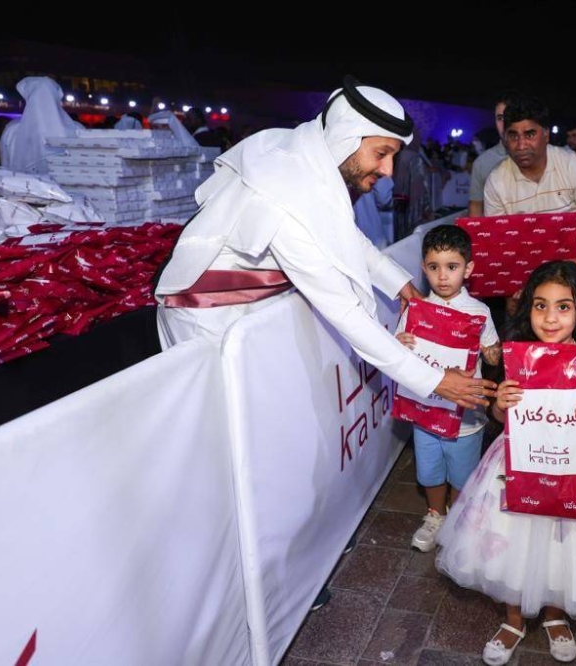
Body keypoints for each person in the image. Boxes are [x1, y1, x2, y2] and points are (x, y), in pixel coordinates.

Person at [155, 76, 496, 411]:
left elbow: (345, 234)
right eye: (381, 153)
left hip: (245, 313)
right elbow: (345, 311)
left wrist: (401, 284)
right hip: (206, 323)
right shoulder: (286, 191)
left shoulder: (309, 162)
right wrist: (434, 380)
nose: (389, 170)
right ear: (345, 139)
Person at [435, 260, 576, 665]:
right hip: (517, 464)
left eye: (563, 307)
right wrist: (501, 404)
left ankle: (555, 614)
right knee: (513, 543)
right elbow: (501, 417)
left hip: (573, 468)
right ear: (527, 309)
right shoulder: (517, 360)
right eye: (540, 306)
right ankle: (513, 618)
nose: (551, 317)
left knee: (563, 546)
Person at [393, 225, 501, 552]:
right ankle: (435, 515)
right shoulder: (415, 310)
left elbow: (494, 353)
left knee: (462, 472)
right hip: (425, 410)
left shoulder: (479, 312)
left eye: (452, 267)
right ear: (423, 268)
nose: (442, 276)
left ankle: (459, 517)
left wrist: (491, 351)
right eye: (433, 267)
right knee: (429, 470)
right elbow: (399, 354)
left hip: (465, 416)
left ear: (468, 269)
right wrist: (397, 342)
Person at [483, 94, 576, 274]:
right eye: (513, 136)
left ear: (546, 135)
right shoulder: (496, 181)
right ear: (504, 139)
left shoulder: (570, 164)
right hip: (524, 278)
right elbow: (498, 243)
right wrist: (509, 292)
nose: (521, 145)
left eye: (530, 134)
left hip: (572, 272)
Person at [467, 90, 521, 217]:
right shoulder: (482, 163)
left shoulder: (543, 156)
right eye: (500, 118)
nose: (505, 123)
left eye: (511, 116)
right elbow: (476, 211)